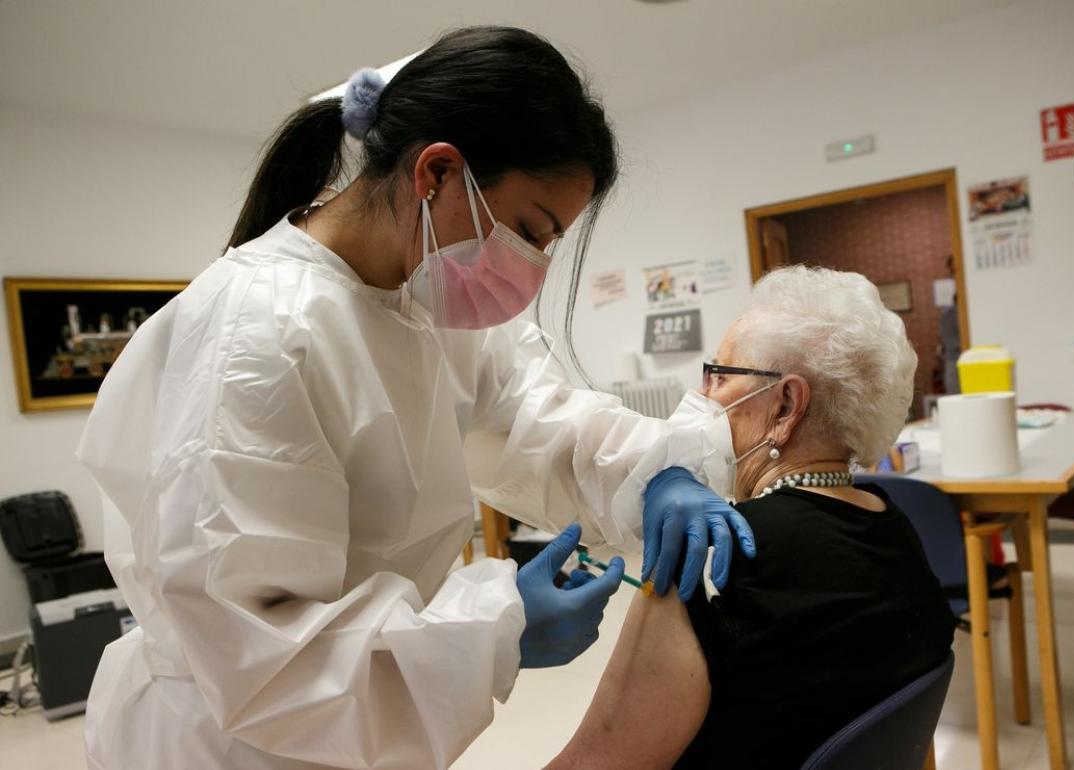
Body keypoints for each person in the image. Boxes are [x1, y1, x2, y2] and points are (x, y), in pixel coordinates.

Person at [77, 27, 754, 770]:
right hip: (234, 744)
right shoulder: (261, 333)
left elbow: (534, 419)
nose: (531, 266)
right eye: (530, 230)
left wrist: (654, 471)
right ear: (436, 172)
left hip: (354, 732)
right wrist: (495, 632)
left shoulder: (423, 300)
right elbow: (258, 657)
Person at [548, 266, 956, 769]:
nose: (702, 396)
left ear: (786, 405)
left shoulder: (710, 556)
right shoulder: (894, 527)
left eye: (720, 375)